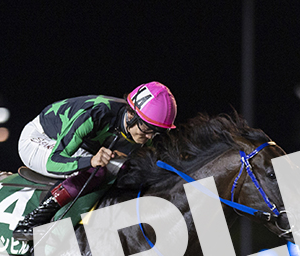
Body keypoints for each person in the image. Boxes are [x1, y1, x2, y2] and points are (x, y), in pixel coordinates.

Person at [12, 81, 177, 241]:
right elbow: (54, 161)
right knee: (98, 171)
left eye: (156, 131)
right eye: (147, 129)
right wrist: (90, 161)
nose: (149, 137)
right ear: (131, 115)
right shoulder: (97, 113)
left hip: (76, 147)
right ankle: (32, 221)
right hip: (40, 138)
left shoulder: (140, 129)